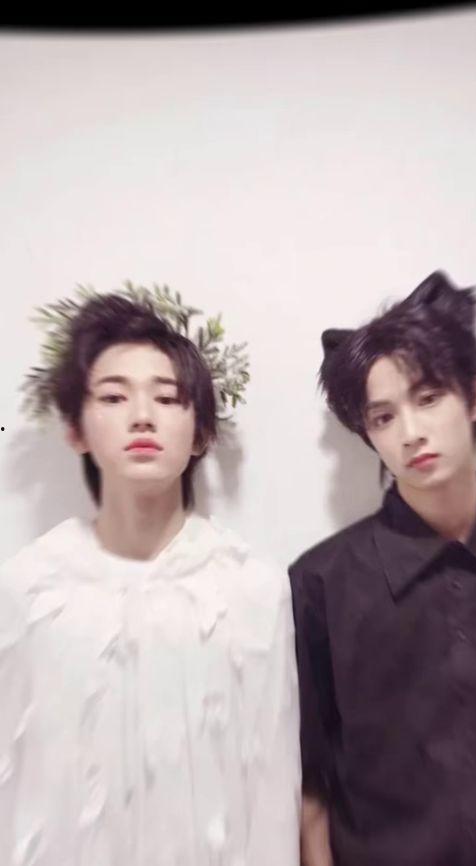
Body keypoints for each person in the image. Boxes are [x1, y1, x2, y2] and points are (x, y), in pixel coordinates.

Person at [0, 290, 300, 866]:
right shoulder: (28, 589)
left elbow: (272, 790)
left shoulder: (252, 589)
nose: (142, 416)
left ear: (201, 432)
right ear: (76, 430)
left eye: (167, 398)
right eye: (114, 397)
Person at [290, 271, 476, 866]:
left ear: (475, 394)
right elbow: (310, 784)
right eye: (383, 418)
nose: (411, 433)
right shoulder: (321, 584)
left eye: (429, 398)